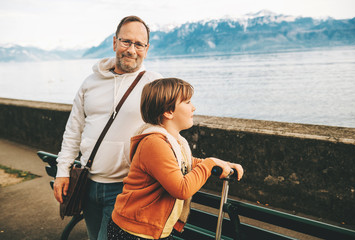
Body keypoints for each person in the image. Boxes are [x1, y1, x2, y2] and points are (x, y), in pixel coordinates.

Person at [53, 16, 163, 240]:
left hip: (126, 189)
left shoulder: (154, 84)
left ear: (147, 49)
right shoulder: (90, 82)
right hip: (88, 183)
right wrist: (62, 171)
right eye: (126, 42)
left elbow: (170, 132)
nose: (131, 50)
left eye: (139, 44)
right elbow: (73, 129)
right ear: (114, 43)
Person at [108, 78, 244, 240]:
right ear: (168, 111)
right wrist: (209, 164)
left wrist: (223, 164)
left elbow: (187, 163)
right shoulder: (154, 143)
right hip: (135, 231)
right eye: (187, 102)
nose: (193, 107)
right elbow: (181, 189)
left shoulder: (174, 141)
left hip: (151, 229)